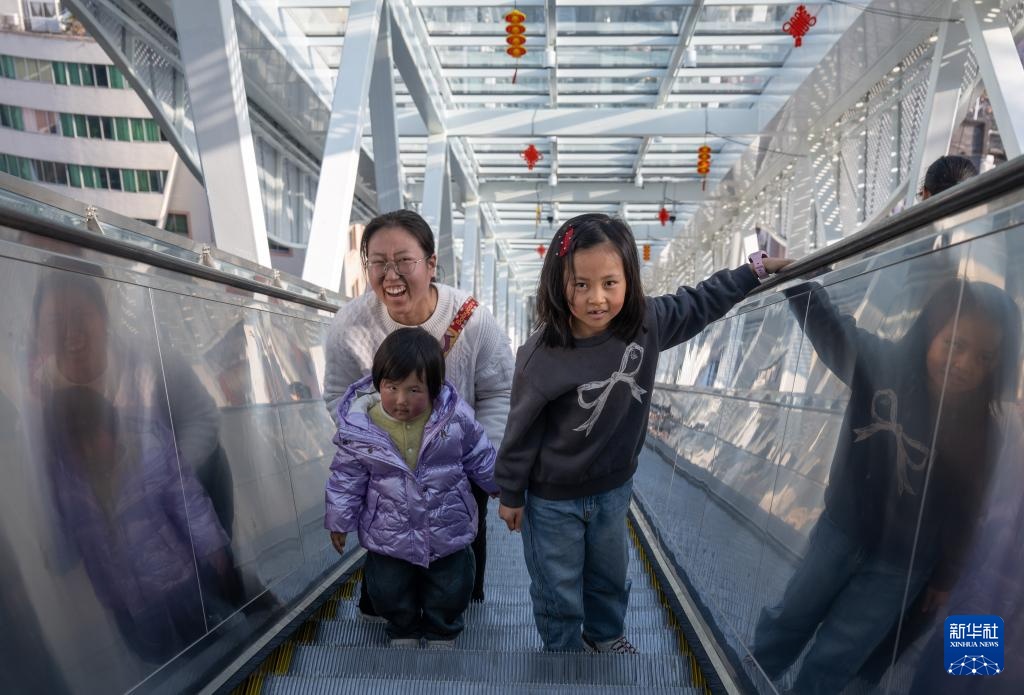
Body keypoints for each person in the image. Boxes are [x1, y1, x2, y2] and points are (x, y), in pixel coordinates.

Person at [494, 213, 790, 653]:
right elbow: (520, 430)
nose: (597, 298)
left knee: (610, 574)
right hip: (551, 497)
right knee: (557, 582)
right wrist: (511, 494)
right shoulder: (542, 353)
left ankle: (605, 636)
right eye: (581, 285)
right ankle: (562, 650)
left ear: (629, 279)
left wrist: (754, 271)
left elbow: (701, 301)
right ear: (558, 285)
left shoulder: (646, 323)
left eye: (610, 283)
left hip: (614, 488)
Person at [751, 279, 1020, 694]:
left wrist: (944, 575)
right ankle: (742, 678)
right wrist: (798, 283)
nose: (966, 364)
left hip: (902, 564)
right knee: (791, 616)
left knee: (841, 650)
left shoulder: (982, 431)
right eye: (955, 343)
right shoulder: (884, 366)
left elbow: (966, 510)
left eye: (985, 357)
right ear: (930, 331)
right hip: (841, 531)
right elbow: (832, 332)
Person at [323, 209, 514, 614]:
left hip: (456, 469)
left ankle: (455, 617)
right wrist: (367, 446)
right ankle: (393, 617)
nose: (390, 275)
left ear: (430, 264)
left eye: (404, 261)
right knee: (388, 553)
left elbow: (499, 391)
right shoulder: (350, 326)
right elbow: (338, 396)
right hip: (388, 472)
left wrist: (484, 460)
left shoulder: (472, 319)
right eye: (378, 263)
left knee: (459, 560)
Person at [324, 328, 499, 648]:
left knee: (450, 583)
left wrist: (503, 489)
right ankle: (402, 627)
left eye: (414, 389)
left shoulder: (455, 417)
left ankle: (441, 629)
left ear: (434, 388)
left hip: (446, 523)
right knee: (389, 585)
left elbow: (480, 453)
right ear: (379, 383)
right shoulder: (362, 426)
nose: (401, 400)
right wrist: (339, 520)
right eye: (392, 387)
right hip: (389, 528)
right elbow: (346, 476)